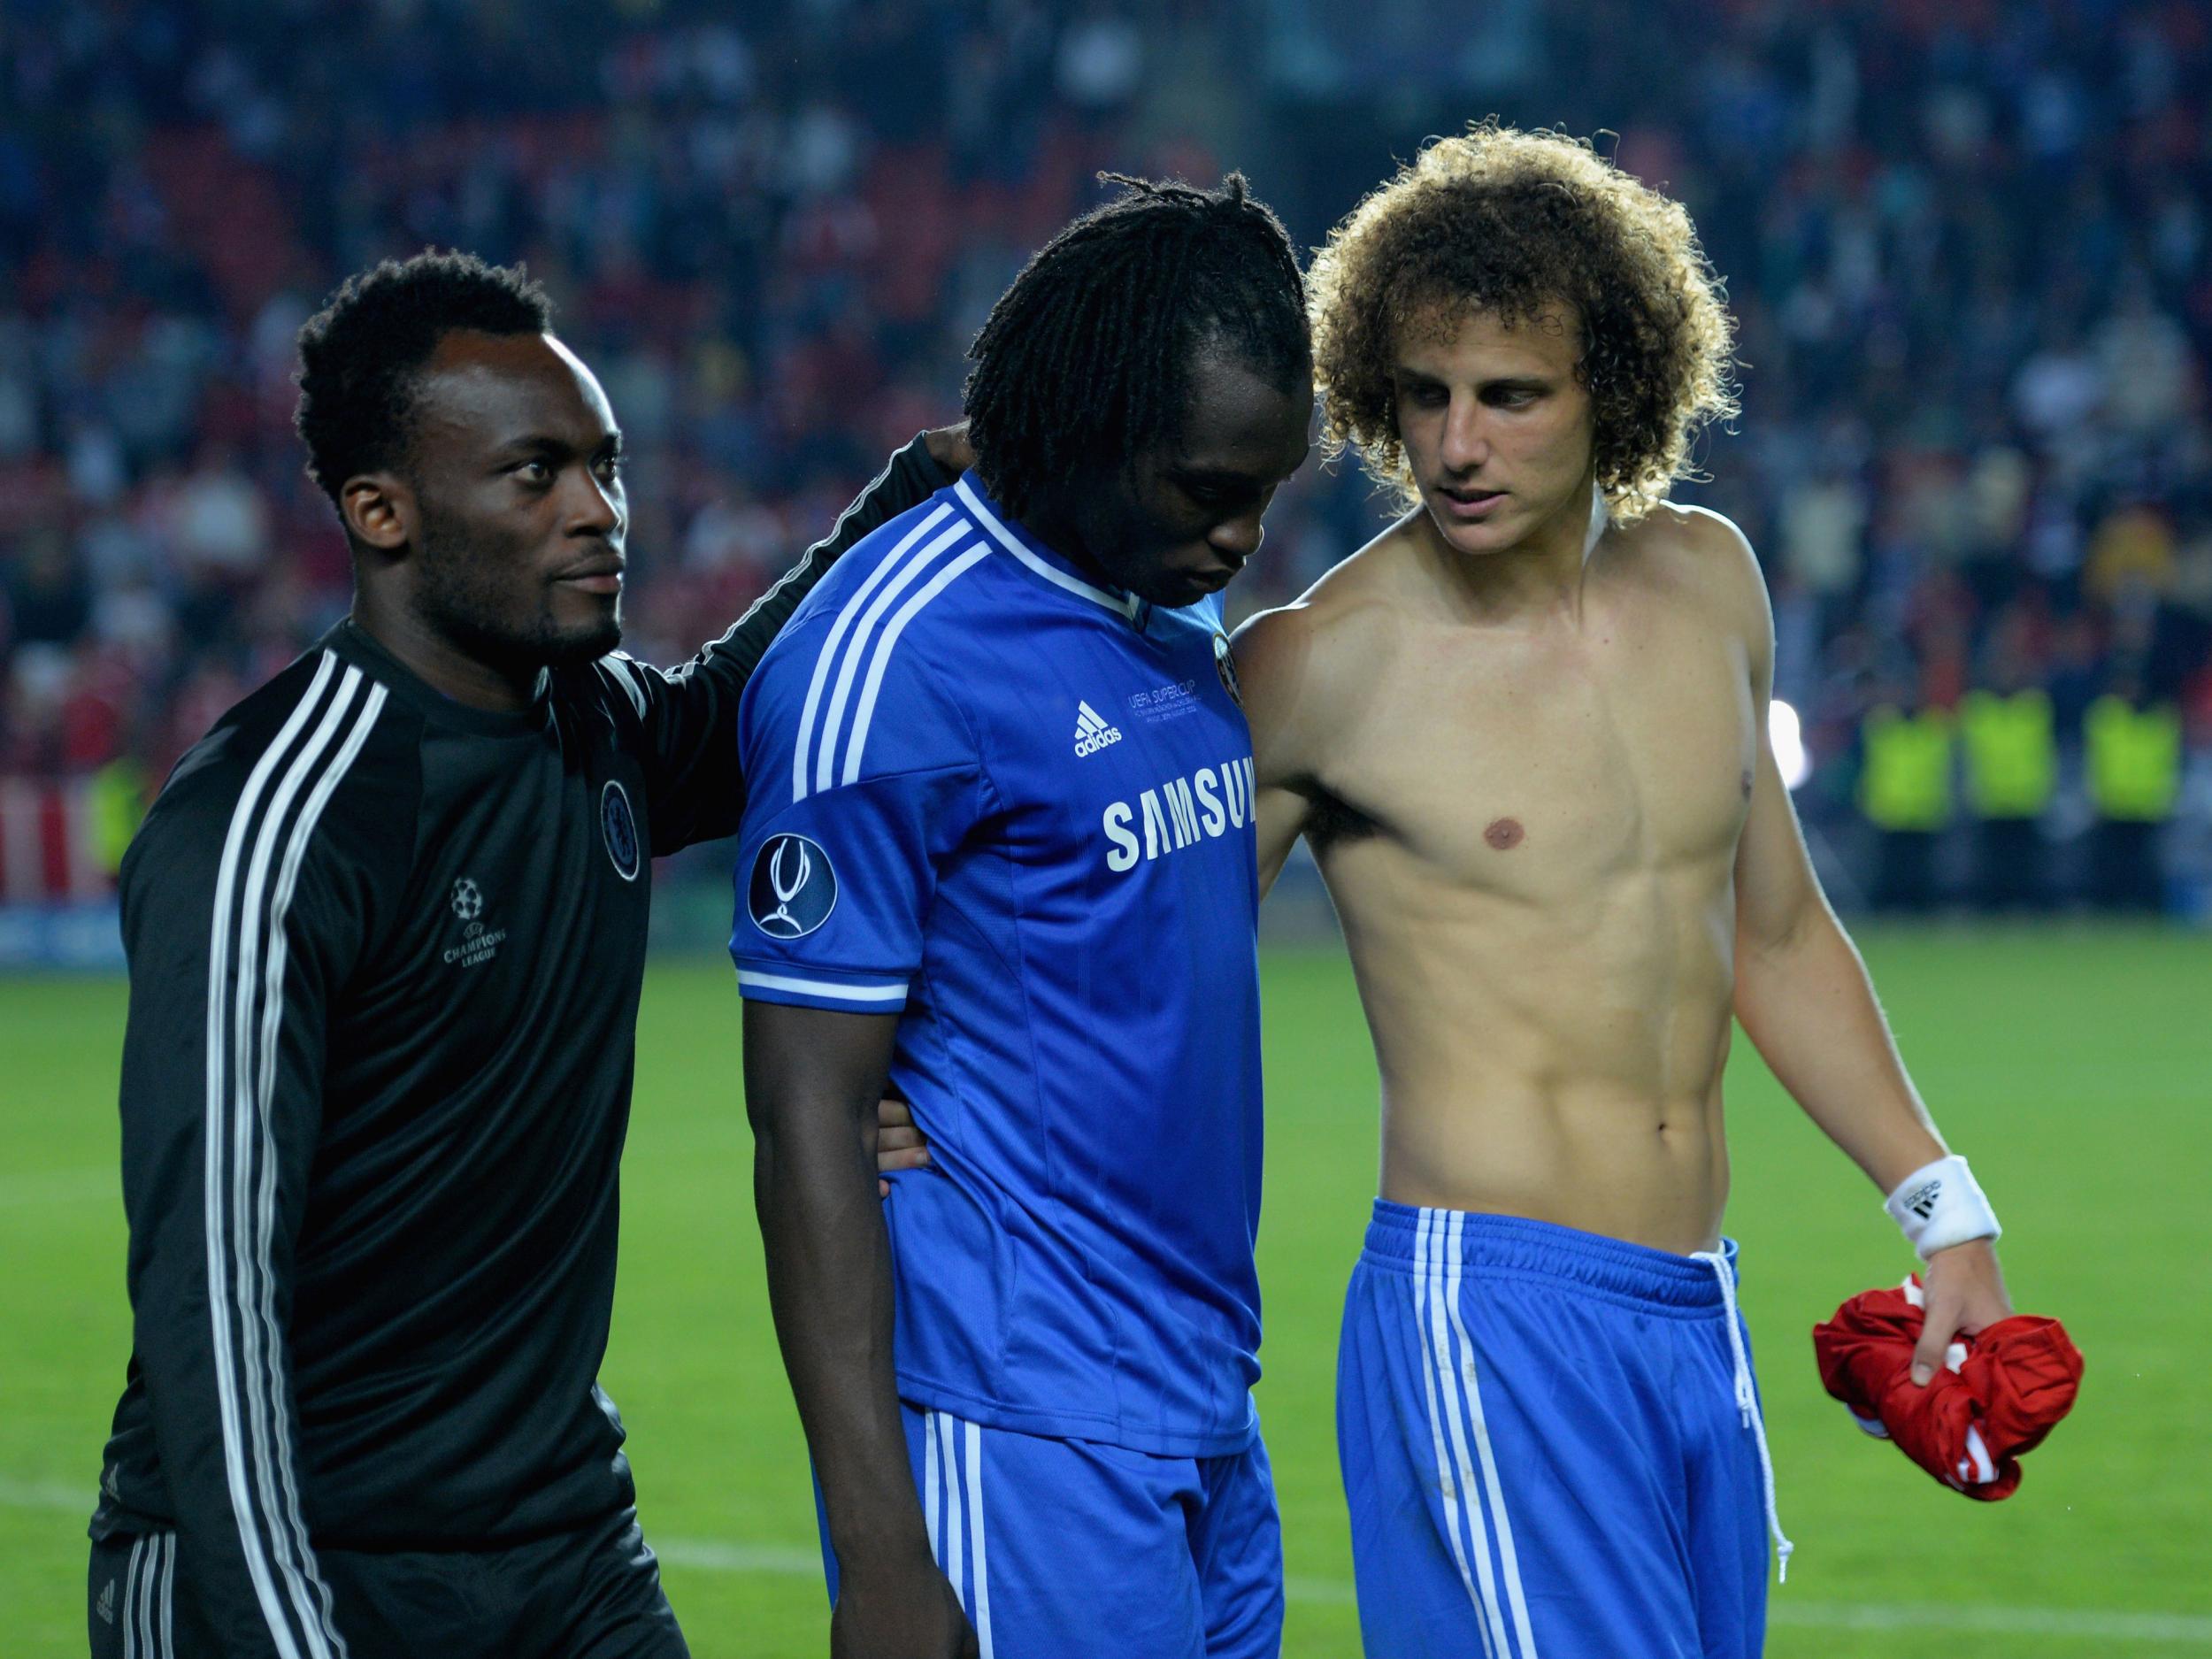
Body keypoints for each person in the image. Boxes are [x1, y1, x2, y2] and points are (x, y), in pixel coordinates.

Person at [87, 250, 962, 1659]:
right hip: (292, 1563)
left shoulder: (592, 722)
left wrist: (921, 485)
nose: (600, 513)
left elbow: (744, 711)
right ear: (381, 511)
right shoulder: (275, 821)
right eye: (536, 475)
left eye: (606, 468)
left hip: (561, 1553)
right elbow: (212, 1300)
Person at [1233, 127, 2016, 1657]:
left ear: (1617, 389)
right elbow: (1128, 959)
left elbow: (1776, 936)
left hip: (1692, 1310)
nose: (1458, 444)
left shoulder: (1712, 582)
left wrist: (1945, 1208)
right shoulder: (1320, 664)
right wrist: (911, 1091)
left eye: (1511, 397)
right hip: (1489, 1314)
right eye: (1425, 397)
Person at [732, 175, 1311, 1659]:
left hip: (1200, 1395)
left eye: (1268, 488)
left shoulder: (1158, 596)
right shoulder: (894, 661)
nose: (1244, 535)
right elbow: (807, 1117)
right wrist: (880, 1556)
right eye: (1208, 489)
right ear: (1090, 426)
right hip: (1020, 1414)